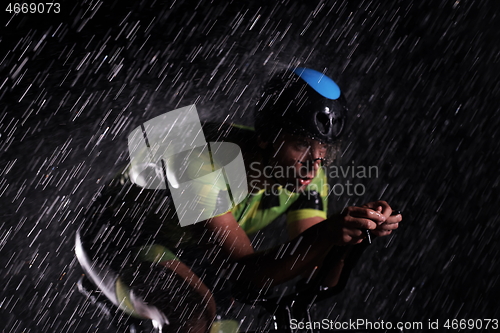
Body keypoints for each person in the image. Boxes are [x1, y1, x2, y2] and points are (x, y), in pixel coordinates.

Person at [75, 67, 402, 333]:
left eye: (324, 150)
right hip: (118, 235)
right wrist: (330, 233)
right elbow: (247, 274)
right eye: (301, 143)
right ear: (265, 136)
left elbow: (313, 270)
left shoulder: (309, 173)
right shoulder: (200, 160)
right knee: (192, 313)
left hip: (189, 247)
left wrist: (354, 235)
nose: (314, 162)